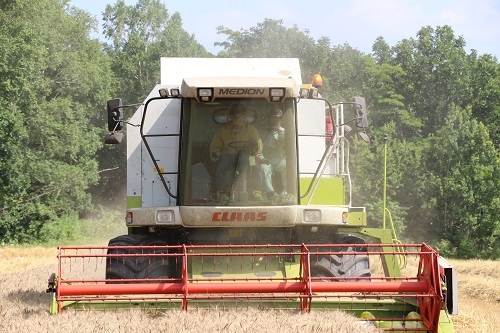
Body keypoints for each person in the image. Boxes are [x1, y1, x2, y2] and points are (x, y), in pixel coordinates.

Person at [210, 104, 263, 201]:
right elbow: (215, 147)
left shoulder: (251, 130)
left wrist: (255, 148)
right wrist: (215, 153)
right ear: (231, 118)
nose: (241, 120)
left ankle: (256, 191)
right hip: (229, 156)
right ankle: (221, 191)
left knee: (257, 161)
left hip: (247, 156)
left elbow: (259, 145)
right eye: (238, 118)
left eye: (243, 118)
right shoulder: (222, 130)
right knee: (221, 161)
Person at [260, 109, 287, 200]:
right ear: (268, 120)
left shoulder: (286, 132)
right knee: (262, 166)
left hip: (280, 160)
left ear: (281, 120)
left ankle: (286, 193)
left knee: (287, 167)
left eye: (277, 119)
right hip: (266, 159)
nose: (274, 121)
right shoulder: (263, 133)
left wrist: (280, 132)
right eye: (272, 118)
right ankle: (270, 194)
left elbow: (288, 148)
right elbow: (259, 147)